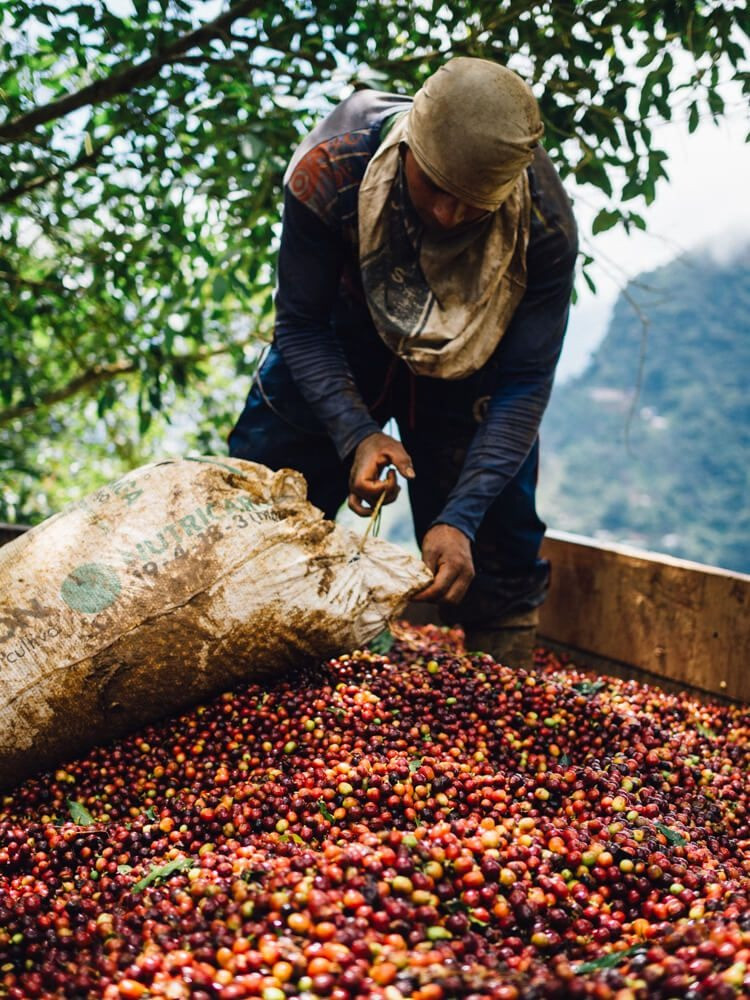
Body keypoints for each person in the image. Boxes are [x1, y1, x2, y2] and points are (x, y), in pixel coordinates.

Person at [229, 57, 578, 667]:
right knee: (264, 512)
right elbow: (301, 326)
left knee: (495, 537)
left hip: (471, 363)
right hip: (338, 338)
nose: (447, 215)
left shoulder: (543, 227)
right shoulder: (331, 168)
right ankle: (237, 655)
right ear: (409, 149)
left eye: (472, 205)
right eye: (435, 188)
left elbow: (523, 386)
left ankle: (503, 667)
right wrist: (357, 433)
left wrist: (462, 519)